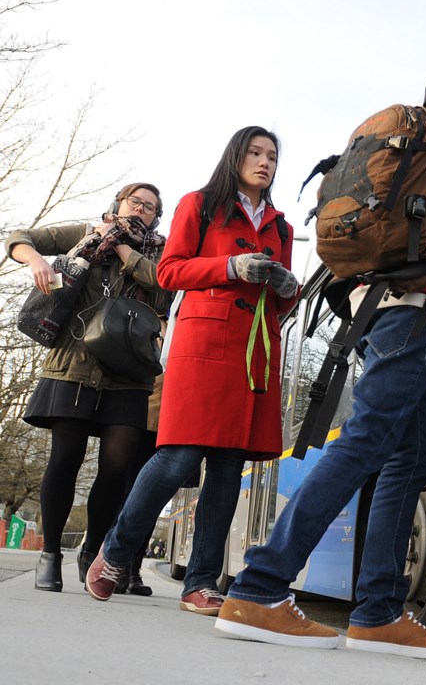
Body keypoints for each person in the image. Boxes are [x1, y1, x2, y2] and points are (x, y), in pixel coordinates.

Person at [213, 62, 426, 658]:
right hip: (420, 305)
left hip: (373, 302)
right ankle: (261, 587)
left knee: (412, 453)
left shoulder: (410, 136)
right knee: (368, 438)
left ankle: (379, 611)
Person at [85, 126, 299, 616]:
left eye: (272, 156)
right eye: (255, 152)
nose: (264, 162)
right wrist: (230, 267)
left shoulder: (282, 227)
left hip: (254, 349)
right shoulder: (199, 204)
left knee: (227, 467)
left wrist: (289, 286)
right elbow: (170, 271)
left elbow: (282, 298)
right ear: (235, 156)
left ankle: (200, 583)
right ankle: (114, 553)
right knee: (179, 457)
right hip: (204, 343)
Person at [5, 183, 169, 592]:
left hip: (129, 371)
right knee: (65, 457)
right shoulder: (85, 231)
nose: (141, 210)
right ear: (119, 204)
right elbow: (18, 238)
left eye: (150, 208)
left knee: (116, 466)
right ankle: (51, 555)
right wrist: (38, 262)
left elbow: (163, 285)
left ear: (156, 217)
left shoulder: (161, 253)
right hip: (74, 362)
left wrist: (121, 250)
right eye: (135, 202)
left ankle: (92, 550)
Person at [113, 368, 165, 597]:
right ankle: (119, 565)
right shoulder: (150, 331)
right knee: (127, 494)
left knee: (151, 500)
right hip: (137, 415)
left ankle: (133, 569)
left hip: (166, 419)